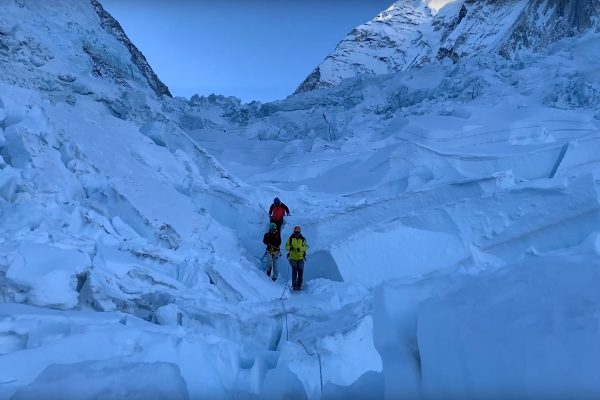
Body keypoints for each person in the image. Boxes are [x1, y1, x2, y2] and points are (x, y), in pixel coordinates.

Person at [285, 225, 308, 291]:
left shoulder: (303, 239)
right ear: (294, 232)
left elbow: (306, 247)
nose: (296, 234)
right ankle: (294, 285)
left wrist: (300, 249)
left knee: (300, 271)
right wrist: (290, 247)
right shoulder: (291, 238)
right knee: (294, 271)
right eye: (295, 232)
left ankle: (299, 285)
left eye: (298, 232)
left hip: (301, 258)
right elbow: (286, 246)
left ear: (300, 232)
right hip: (293, 257)